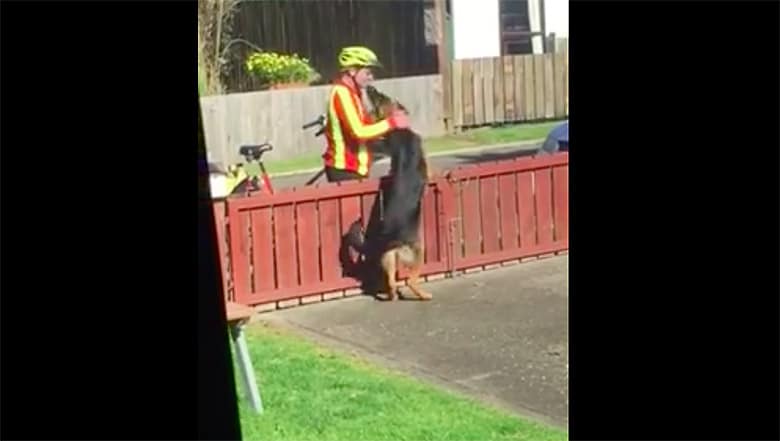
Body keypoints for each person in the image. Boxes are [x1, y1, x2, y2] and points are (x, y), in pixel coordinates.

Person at [322, 46, 410, 182]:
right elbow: (358, 131)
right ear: (352, 71)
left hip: (355, 168)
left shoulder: (353, 94)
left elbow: (368, 128)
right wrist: (392, 122)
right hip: (345, 169)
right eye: (367, 73)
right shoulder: (342, 93)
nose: (371, 78)